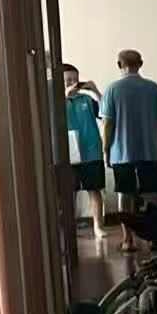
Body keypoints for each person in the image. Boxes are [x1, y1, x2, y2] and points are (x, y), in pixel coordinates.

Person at [100, 48, 157, 252]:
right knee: (152, 194)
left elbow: (107, 124)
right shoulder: (153, 88)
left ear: (119, 65)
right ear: (141, 64)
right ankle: (155, 238)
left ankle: (127, 239)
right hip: (149, 150)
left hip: (122, 152)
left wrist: (105, 150)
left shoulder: (112, 90)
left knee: (125, 194)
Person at [62, 63, 106, 239]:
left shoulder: (87, 100)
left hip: (91, 152)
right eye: (68, 80)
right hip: (69, 154)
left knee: (94, 190)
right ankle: (69, 229)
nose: (72, 83)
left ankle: (98, 226)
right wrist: (64, 98)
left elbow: (106, 113)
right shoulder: (55, 101)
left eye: (75, 79)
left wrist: (95, 91)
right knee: (69, 193)